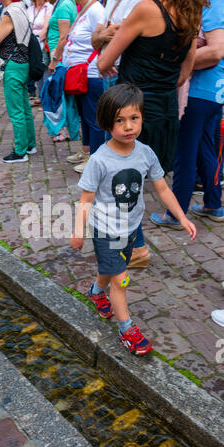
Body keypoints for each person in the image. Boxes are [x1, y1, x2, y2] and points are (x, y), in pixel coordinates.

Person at [70, 84, 196, 355]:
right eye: (120, 120)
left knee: (111, 268)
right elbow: (86, 199)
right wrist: (78, 230)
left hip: (130, 228)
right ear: (106, 121)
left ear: (141, 117)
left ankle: (95, 292)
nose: (128, 126)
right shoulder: (99, 160)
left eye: (134, 118)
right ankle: (127, 329)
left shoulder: (145, 153)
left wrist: (181, 216)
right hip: (105, 230)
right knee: (121, 279)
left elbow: (161, 187)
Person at [97, 0, 206, 268]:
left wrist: (106, 64)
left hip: (132, 110)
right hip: (164, 111)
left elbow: (105, 60)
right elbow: (183, 74)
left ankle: (135, 247)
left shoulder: (147, 9)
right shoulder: (191, 13)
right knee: (137, 180)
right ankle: (133, 244)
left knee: (116, 180)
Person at [150, 0, 224, 227]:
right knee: (204, 148)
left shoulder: (214, 5)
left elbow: (216, 51)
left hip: (199, 92)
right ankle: (213, 204)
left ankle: (175, 213)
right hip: (213, 93)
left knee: (185, 152)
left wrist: (172, 65)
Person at [0, 0, 36, 163]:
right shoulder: (21, 9)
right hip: (23, 63)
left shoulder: (9, 13)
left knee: (16, 110)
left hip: (12, 65)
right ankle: (30, 144)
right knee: (24, 107)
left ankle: (20, 151)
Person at [63, 0, 106, 174]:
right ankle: (87, 150)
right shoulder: (84, 10)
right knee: (84, 114)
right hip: (80, 72)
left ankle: (95, 159)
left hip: (91, 72)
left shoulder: (96, 10)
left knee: (93, 117)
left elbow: (101, 40)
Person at [47, 0, 77, 142]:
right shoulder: (63, 4)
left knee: (63, 96)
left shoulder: (64, 6)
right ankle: (70, 130)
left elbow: (64, 37)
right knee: (65, 95)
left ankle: (67, 131)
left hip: (60, 55)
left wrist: (55, 59)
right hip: (59, 53)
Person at [27, 0, 53, 105]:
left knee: (45, 70)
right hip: (32, 42)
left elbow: (46, 26)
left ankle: (46, 98)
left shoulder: (48, 7)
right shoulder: (29, 8)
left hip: (43, 42)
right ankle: (41, 96)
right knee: (36, 69)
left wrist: (40, 39)